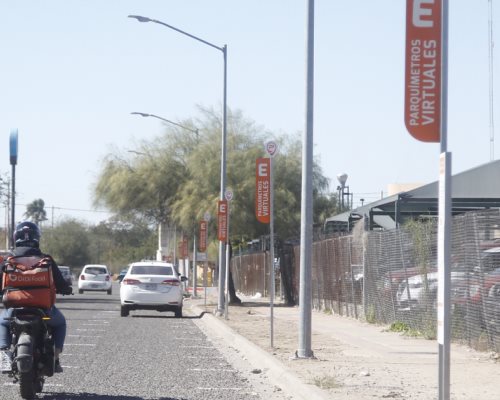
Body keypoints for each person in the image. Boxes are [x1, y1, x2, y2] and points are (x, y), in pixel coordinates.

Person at [0, 221, 72, 373]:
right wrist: (66, 289)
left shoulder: (8, 260)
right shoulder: (46, 259)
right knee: (60, 324)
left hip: (14, 308)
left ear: (15, 238)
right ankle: (56, 358)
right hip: (43, 310)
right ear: (36, 238)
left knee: (3, 323)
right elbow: (60, 282)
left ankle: (4, 354)